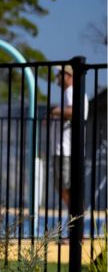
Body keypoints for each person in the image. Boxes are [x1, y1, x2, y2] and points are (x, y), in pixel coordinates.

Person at [49, 64, 85, 207]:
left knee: (67, 186)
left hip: (66, 149)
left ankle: (76, 218)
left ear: (69, 76)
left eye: (60, 74)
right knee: (61, 185)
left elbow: (73, 111)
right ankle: (74, 216)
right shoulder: (68, 93)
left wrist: (54, 111)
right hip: (63, 149)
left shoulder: (71, 91)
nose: (57, 77)